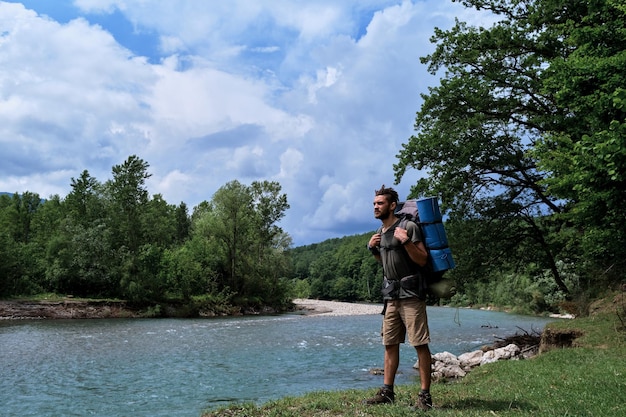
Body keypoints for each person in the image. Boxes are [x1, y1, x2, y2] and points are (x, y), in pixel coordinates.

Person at [364, 185, 433, 410]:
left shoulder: (408, 227)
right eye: (374, 203)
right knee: (389, 344)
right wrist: (374, 250)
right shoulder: (380, 232)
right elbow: (386, 263)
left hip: (412, 295)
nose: (376, 207)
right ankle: (387, 392)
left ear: (392, 205)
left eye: (380, 203)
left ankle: (425, 397)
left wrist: (405, 241)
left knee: (420, 344)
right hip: (391, 297)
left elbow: (422, 259)